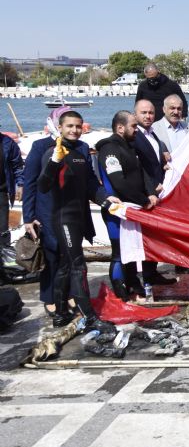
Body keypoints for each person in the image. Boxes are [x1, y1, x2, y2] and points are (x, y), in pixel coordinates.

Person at [38, 111, 120, 327]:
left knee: (66, 265)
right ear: (61, 127)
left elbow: (91, 182)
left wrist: (105, 197)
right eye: (69, 126)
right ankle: (90, 317)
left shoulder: (83, 149)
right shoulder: (53, 152)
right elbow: (43, 186)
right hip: (63, 217)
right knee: (78, 266)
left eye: (78, 126)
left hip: (79, 215)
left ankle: (61, 314)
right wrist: (55, 162)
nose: (74, 130)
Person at [96, 111, 159, 301]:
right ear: (120, 128)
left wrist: (151, 193)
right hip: (117, 211)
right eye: (133, 126)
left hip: (133, 209)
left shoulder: (130, 147)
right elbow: (119, 183)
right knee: (119, 253)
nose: (137, 129)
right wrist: (143, 200)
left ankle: (134, 284)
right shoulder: (110, 150)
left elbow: (142, 173)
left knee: (130, 251)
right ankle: (120, 294)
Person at [132, 99, 175, 286]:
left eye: (150, 113)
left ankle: (151, 272)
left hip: (158, 193)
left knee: (154, 237)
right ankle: (139, 279)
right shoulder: (134, 137)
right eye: (143, 113)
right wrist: (148, 190)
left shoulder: (153, 135)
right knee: (144, 238)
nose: (148, 116)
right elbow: (137, 167)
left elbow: (153, 162)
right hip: (145, 195)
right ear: (135, 115)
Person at [1, 127, 23, 261]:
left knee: (2, 232)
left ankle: (3, 270)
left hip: (1, 192)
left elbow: (17, 165)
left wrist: (21, 184)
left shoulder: (7, 143)